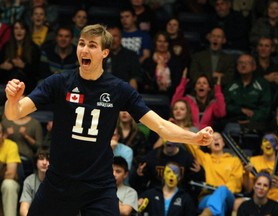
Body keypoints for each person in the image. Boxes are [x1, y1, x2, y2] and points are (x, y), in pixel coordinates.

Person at [4, 23, 214, 216]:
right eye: (82, 44)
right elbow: (15, 113)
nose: (84, 50)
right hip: (60, 181)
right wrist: (12, 100)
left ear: (104, 52)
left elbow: (160, 125)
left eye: (92, 45)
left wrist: (193, 137)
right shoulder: (59, 82)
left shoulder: (118, 89)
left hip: (98, 185)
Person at [130, 139, 205, 205]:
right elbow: (136, 183)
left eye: (172, 137)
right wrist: (138, 174)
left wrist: (199, 172)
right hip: (156, 195)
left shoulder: (187, 158)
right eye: (167, 137)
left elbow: (199, 181)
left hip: (179, 196)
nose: (170, 140)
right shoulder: (152, 156)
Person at [184, 131, 243, 216]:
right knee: (219, 205)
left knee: (222, 190)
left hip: (228, 196)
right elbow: (191, 146)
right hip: (207, 197)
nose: (215, 139)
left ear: (223, 143)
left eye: (218, 138)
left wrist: (219, 191)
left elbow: (235, 181)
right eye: (212, 138)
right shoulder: (204, 158)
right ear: (208, 144)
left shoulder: (234, 161)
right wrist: (178, 128)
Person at [235, 133, 278, 214]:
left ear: (277, 146)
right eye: (265, 141)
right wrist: (246, 173)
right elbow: (248, 189)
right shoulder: (252, 161)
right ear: (261, 146)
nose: (268, 143)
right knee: (238, 203)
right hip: (256, 199)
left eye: (271, 141)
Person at [224, 53, 272, 135]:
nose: (243, 65)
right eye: (240, 63)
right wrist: (241, 110)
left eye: (247, 63)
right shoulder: (230, 85)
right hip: (233, 121)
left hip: (256, 122)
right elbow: (225, 105)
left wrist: (252, 118)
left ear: (254, 67)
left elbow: (266, 108)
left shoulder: (262, 85)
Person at [0, 20, 41, 94]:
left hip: (26, 84)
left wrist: (24, 66)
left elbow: (37, 72)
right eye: (16, 28)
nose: (19, 31)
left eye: (22, 28)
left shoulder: (34, 48)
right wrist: (2, 67)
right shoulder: (6, 46)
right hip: (7, 83)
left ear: (26, 31)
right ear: (13, 31)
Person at [250, 0, 278, 69]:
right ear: (267, 10)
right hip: (260, 51)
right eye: (271, 8)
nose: (273, 11)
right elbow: (252, 38)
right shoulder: (259, 22)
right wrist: (264, 42)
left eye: (276, 8)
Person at [106, 25, 142, 90]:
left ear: (120, 37)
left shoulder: (131, 55)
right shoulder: (101, 56)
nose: (113, 40)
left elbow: (138, 75)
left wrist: (134, 80)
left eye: (115, 36)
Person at [19, 146, 50, 216]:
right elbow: (23, 209)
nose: (44, 162)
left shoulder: (58, 181)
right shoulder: (29, 181)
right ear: (36, 162)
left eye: (48, 159)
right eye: (41, 159)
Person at [0, 122, 22, 216]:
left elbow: (11, 174)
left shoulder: (11, 145)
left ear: (3, 135)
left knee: (9, 185)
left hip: (4, 181)